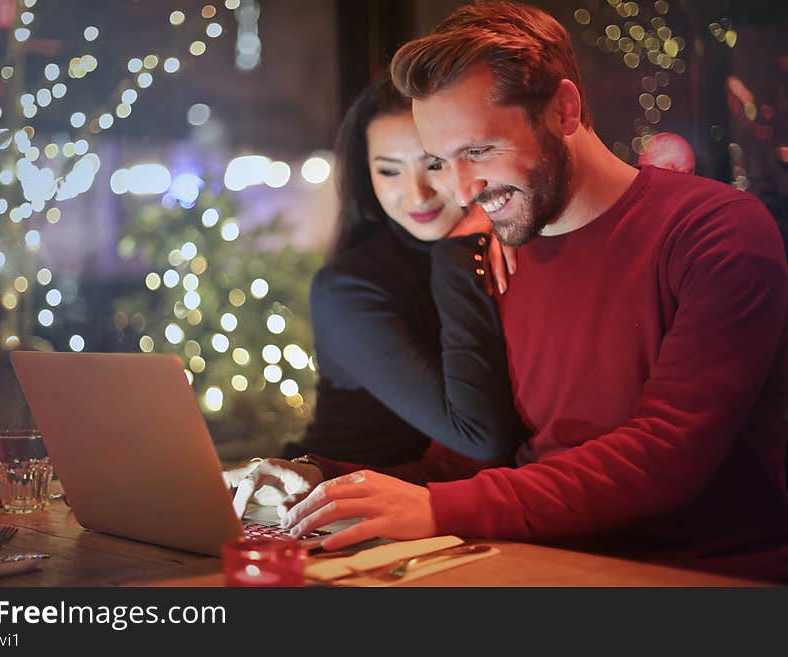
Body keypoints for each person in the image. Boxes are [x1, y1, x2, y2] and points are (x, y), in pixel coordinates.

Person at [231, 1, 788, 582]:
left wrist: (436, 507)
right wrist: (329, 481)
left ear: (565, 110)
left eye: (478, 150)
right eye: (443, 161)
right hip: (538, 560)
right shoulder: (503, 249)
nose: (462, 189)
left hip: (696, 575)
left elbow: (667, 455)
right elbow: (482, 461)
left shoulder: (714, 231)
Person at [225, 75, 527, 514]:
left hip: (426, 507)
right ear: (366, 177)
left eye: (433, 164)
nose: (416, 193)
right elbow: (480, 438)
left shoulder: (502, 249)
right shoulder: (349, 287)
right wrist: (460, 248)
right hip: (322, 503)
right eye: (389, 170)